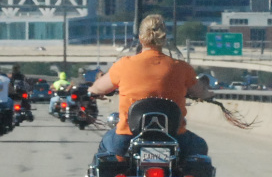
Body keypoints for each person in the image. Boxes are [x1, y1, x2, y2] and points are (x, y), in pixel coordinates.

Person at [89, 13, 212, 159]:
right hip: (174, 137)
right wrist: (209, 95)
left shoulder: (124, 65)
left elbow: (97, 88)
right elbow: (201, 92)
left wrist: (92, 91)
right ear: (164, 39)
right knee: (200, 147)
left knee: (105, 148)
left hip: (128, 136)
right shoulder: (181, 68)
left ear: (141, 38)